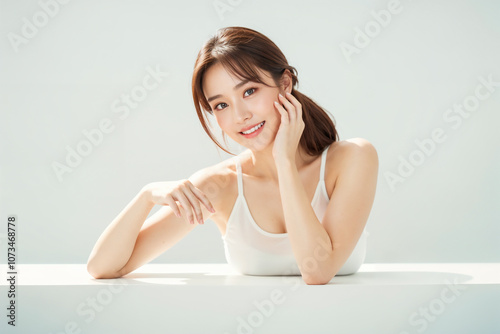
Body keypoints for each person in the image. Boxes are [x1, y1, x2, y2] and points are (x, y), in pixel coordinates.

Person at [87, 26, 378, 285]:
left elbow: (318, 271)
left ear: (285, 83)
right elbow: (103, 268)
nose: (240, 115)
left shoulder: (351, 159)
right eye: (221, 105)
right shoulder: (220, 185)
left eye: (249, 91)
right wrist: (146, 195)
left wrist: (284, 161)